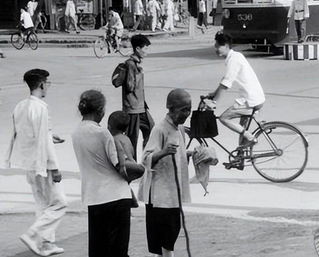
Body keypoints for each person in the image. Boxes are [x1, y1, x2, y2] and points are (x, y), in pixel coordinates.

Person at [4, 69, 66, 256]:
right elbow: (43, 140)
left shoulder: (21, 106)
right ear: (41, 85)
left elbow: (27, 134)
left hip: (29, 163)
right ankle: (34, 234)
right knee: (59, 203)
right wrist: (54, 167)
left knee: (43, 204)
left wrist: (49, 135)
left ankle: (46, 243)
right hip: (43, 164)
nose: (47, 86)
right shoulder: (40, 107)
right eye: (47, 83)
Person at [71, 90, 133, 257]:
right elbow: (121, 165)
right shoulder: (102, 133)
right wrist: (141, 169)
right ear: (100, 111)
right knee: (118, 251)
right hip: (116, 197)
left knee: (98, 250)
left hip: (94, 198)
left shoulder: (75, 133)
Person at [138, 89, 193, 257]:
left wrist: (192, 155)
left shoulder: (180, 129)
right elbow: (145, 158)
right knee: (165, 239)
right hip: (159, 196)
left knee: (171, 234)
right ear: (171, 108)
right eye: (183, 110)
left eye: (189, 109)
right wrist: (163, 152)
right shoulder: (159, 129)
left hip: (173, 193)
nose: (187, 113)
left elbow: (179, 156)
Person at [206, 33, 266, 149]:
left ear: (227, 46)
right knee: (241, 129)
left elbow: (227, 82)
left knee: (224, 118)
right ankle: (240, 158)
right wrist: (214, 94)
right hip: (254, 97)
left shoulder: (234, 59)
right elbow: (225, 79)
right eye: (215, 46)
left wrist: (214, 102)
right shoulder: (235, 56)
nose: (216, 49)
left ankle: (251, 137)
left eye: (218, 46)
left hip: (250, 100)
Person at [122, 34, 154, 158]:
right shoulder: (130, 64)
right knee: (132, 139)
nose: (146, 52)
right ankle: (132, 166)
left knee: (151, 128)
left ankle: (146, 159)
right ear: (138, 49)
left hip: (141, 106)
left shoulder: (136, 64)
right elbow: (130, 86)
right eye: (145, 48)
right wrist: (139, 74)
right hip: (132, 108)